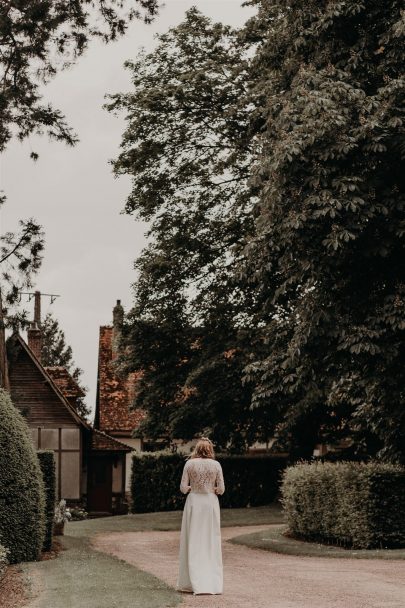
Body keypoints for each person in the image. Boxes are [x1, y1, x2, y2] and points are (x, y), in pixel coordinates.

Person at [177, 437, 225, 595]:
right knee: (210, 540)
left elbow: (183, 488)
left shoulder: (189, 464)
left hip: (194, 503)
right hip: (210, 503)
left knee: (193, 539)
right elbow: (221, 489)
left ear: (197, 449)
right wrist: (212, 488)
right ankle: (211, 583)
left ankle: (192, 582)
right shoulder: (216, 465)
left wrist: (193, 487)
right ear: (210, 449)